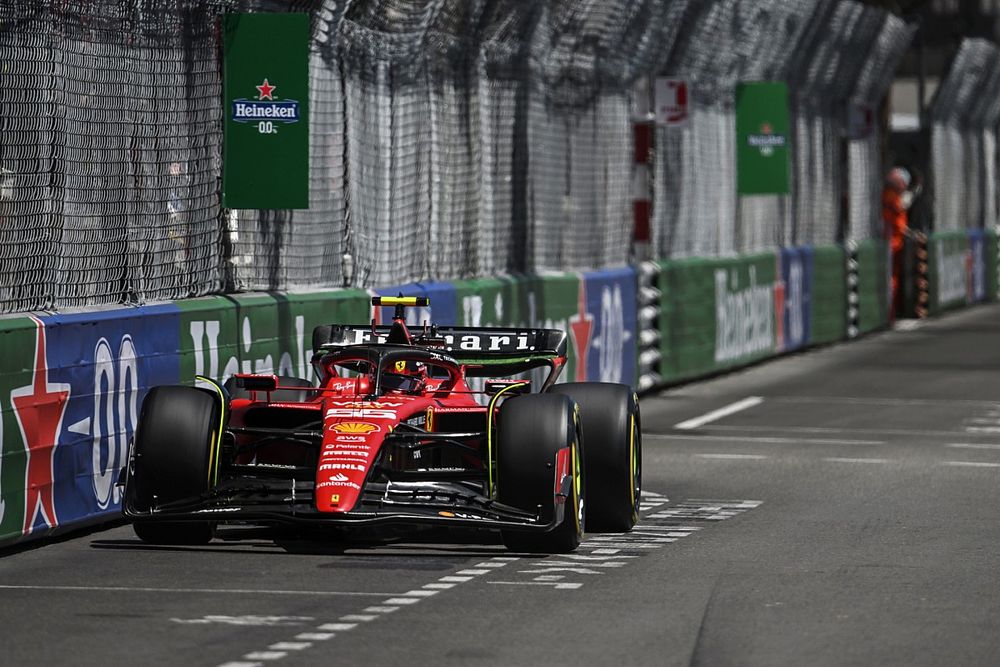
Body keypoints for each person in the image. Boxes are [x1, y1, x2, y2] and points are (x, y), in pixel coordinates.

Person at [882, 166, 918, 317]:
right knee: (889, 280)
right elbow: (897, 222)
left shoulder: (894, 198)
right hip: (889, 244)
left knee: (894, 279)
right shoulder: (890, 198)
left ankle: (892, 312)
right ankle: (889, 312)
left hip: (894, 245)